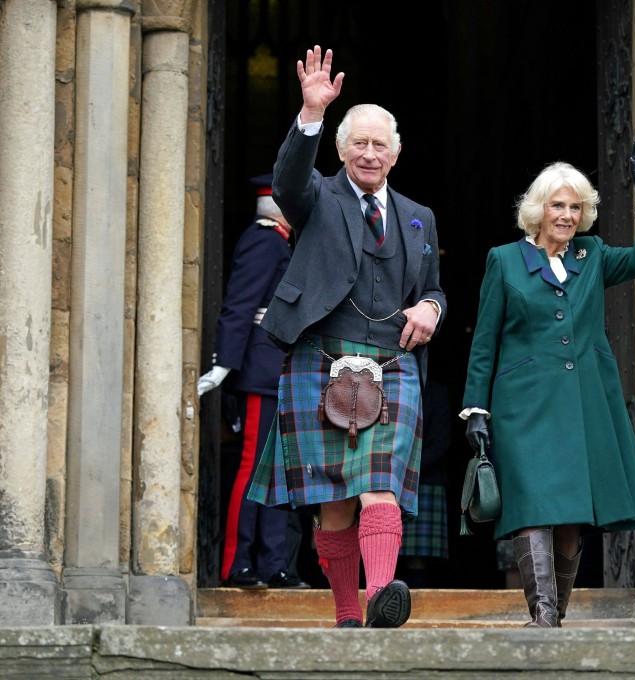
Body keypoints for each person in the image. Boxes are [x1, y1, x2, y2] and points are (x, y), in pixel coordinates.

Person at [245, 45, 446, 629]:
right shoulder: (317, 197)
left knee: (381, 485)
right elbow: (287, 180)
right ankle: (346, 614)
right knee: (334, 503)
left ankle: (381, 595)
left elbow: (434, 286)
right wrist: (311, 112)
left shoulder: (418, 215)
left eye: (380, 143)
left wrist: (432, 306)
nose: (369, 152)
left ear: (397, 153)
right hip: (321, 356)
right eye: (358, 142)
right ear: (340, 149)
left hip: (393, 362)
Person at [460, 135, 635, 628]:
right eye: (558, 205)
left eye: (576, 207)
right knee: (531, 506)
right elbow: (485, 340)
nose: (567, 215)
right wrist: (475, 409)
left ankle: (557, 618)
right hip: (523, 408)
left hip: (581, 405)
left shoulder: (591, 256)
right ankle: (543, 616)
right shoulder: (504, 260)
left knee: (571, 516)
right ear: (538, 209)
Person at [197, 175, 309, 590]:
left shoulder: (281, 243)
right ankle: (237, 563)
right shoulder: (265, 241)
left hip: (279, 370)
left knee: (279, 473)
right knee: (252, 471)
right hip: (261, 372)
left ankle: (272, 562)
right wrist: (224, 364)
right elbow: (240, 305)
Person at [397, 378, 451, 587]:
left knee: (417, 558)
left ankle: (418, 608)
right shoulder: (391, 385)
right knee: (383, 547)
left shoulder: (436, 393)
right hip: (390, 478)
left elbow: (441, 442)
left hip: (425, 480)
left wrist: (405, 467)